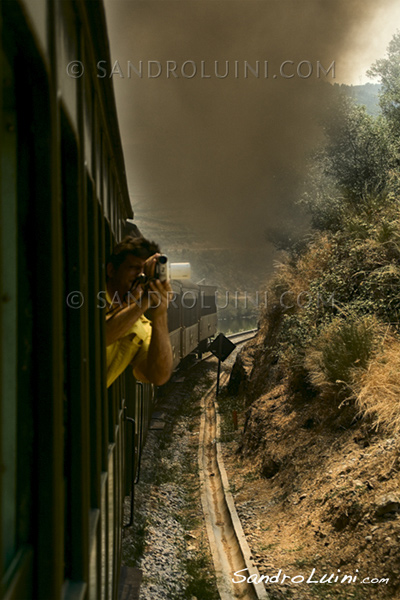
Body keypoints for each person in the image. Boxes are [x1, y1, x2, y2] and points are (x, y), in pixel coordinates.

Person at [105, 236, 173, 388]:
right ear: (111, 270)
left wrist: (161, 313)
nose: (141, 277)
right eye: (134, 268)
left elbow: (159, 376)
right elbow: (95, 339)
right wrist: (143, 301)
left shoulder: (141, 326)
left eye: (146, 272)